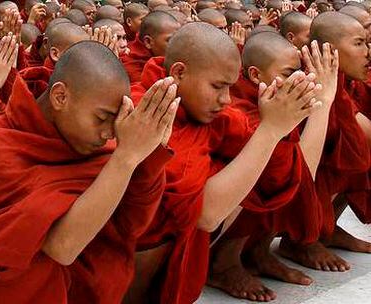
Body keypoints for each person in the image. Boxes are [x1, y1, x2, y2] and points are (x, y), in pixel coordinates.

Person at [0, 40, 178, 304]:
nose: (109, 132)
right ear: (60, 97)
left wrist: (147, 160)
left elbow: (131, 223)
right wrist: (127, 158)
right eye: (102, 118)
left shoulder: (99, 148)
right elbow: (62, 248)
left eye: (115, 120)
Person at [125, 22, 321, 304]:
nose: (226, 99)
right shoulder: (142, 112)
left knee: (248, 163)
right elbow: (206, 214)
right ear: (179, 72)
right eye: (217, 86)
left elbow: (282, 176)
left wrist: (280, 124)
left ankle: (237, 260)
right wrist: (270, 130)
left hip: (152, 271)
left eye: (229, 86)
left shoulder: (215, 115)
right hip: (112, 277)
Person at [216, 31, 338, 302]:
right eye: (290, 72)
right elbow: (299, 174)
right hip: (212, 218)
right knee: (270, 172)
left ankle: (257, 251)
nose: (304, 78)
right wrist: (324, 102)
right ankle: (223, 261)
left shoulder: (277, 100)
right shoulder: (238, 113)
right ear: (256, 76)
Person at [279, 12, 371, 274]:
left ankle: (325, 228)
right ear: (329, 49)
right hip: (283, 177)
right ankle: (298, 240)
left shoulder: (339, 81)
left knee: (357, 153)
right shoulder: (304, 83)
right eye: (359, 43)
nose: (367, 52)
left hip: (313, 172)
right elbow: (298, 166)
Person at [122, 11, 180, 83]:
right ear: (148, 42)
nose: (179, 45)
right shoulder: (131, 67)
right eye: (171, 40)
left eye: (179, 39)